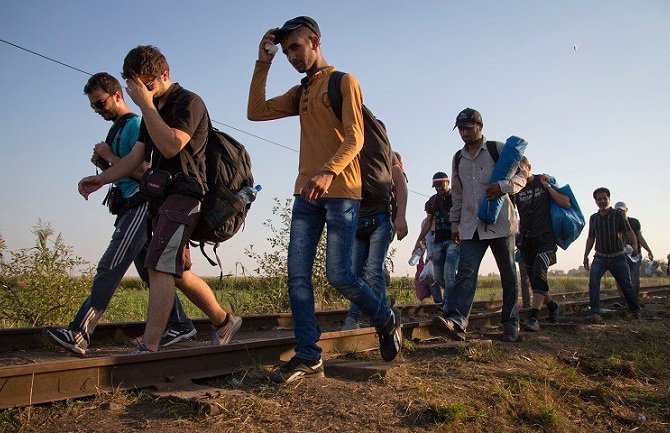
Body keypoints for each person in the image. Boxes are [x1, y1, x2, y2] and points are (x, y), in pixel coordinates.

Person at [248, 16, 402, 383]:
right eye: (285, 52)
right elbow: (255, 112)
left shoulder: (343, 82)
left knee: (340, 275)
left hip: (342, 191)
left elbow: (355, 137)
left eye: (296, 48)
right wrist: (262, 62)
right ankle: (308, 355)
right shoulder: (301, 92)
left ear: (314, 41)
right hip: (306, 193)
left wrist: (329, 171)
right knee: (297, 277)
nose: (291, 57)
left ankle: (385, 317)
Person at [77, 46, 242, 353]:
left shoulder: (187, 102)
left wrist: (147, 106)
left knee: (158, 264)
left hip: (187, 193)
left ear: (163, 75)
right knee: (177, 272)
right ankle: (223, 321)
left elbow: (171, 147)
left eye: (145, 85)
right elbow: (135, 159)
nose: (141, 93)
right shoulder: (153, 112)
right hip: (161, 197)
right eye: (135, 87)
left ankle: (150, 346)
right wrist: (100, 179)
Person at [46, 73, 195, 356]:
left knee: (110, 266)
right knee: (149, 273)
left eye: (100, 103)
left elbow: (146, 174)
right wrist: (103, 168)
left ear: (117, 95)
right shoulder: (118, 129)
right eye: (93, 106)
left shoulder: (136, 125)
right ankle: (179, 322)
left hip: (139, 205)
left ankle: (80, 332)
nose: (98, 110)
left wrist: (110, 158)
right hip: (127, 205)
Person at [433, 108, 526, 342]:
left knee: (508, 275)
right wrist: (455, 224)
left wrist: (504, 186)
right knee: (466, 273)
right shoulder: (458, 158)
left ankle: (510, 323)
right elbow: (458, 194)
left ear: (480, 127)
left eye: (468, 128)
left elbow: (524, 173)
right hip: (470, 225)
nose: (464, 133)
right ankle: (457, 322)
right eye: (461, 129)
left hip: (500, 224)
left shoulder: (498, 149)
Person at [341, 150, 408, 330]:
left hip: (381, 220)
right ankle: (381, 304)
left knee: (372, 270)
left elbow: (401, 184)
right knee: (354, 275)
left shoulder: (387, 155)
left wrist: (400, 217)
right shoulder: (351, 152)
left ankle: (380, 320)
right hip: (357, 223)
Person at [514, 157, 569, 332]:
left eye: (521, 170)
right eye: (514, 171)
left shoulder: (543, 180)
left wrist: (547, 186)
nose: (518, 174)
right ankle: (552, 306)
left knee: (539, 273)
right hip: (526, 240)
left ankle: (533, 318)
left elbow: (565, 202)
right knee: (535, 280)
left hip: (546, 238)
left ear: (529, 167)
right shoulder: (515, 189)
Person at [583, 188, 641, 321]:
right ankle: (595, 311)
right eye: (599, 199)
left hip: (617, 256)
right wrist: (585, 255)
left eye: (604, 198)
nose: (602, 201)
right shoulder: (594, 218)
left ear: (609, 199)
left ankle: (635, 310)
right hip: (600, 256)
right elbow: (591, 237)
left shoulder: (618, 215)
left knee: (625, 284)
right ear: (595, 201)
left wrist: (635, 245)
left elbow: (628, 231)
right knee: (593, 280)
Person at [414, 172, 459, 308]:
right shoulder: (432, 201)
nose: (439, 188)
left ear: (448, 183)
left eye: (441, 185)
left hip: (454, 241)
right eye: (436, 186)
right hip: (438, 241)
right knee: (438, 277)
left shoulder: (456, 197)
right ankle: (457, 296)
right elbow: (428, 222)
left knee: (449, 274)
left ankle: (449, 307)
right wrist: (419, 240)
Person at [613, 201, 654, 300]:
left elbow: (640, 237)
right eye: (618, 211)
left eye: (622, 210)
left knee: (635, 279)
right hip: (620, 254)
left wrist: (649, 250)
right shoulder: (613, 223)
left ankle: (635, 300)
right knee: (619, 278)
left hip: (635, 254)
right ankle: (623, 299)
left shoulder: (634, 222)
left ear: (626, 210)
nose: (620, 213)